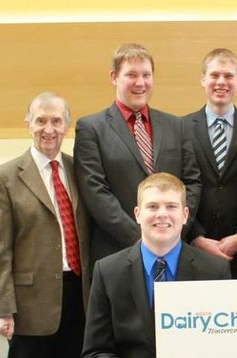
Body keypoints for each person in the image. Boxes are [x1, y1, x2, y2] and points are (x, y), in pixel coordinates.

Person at [46, 173, 237, 358]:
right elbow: (94, 352)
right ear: (137, 213)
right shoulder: (108, 270)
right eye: (152, 206)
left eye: (171, 206)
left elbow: (226, 349)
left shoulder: (213, 270)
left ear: (184, 215)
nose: (162, 214)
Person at [0, 92, 90, 358]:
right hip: (29, 299)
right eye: (41, 120)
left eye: (56, 121)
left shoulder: (77, 169)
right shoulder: (4, 177)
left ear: (67, 126)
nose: (49, 129)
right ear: (28, 124)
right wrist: (3, 308)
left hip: (76, 291)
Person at [74, 42, 201, 264]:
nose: (140, 83)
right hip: (117, 253)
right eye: (131, 75)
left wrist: (173, 230)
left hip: (175, 251)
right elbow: (95, 192)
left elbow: (192, 182)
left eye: (146, 75)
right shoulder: (91, 128)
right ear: (114, 77)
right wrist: (142, 237)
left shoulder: (176, 125)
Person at [183, 48, 237, 278]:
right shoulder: (180, 129)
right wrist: (196, 236)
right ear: (203, 79)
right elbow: (178, 185)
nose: (221, 82)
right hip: (193, 248)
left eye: (228, 76)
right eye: (214, 75)